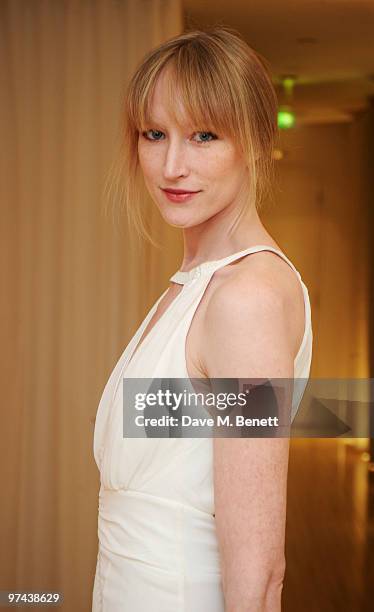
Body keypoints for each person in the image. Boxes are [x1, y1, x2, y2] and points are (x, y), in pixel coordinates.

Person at [92, 25, 313, 612]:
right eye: (155, 133)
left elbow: (260, 571)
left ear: (258, 142)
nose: (171, 165)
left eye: (204, 135)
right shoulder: (195, 286)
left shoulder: (247, 298)